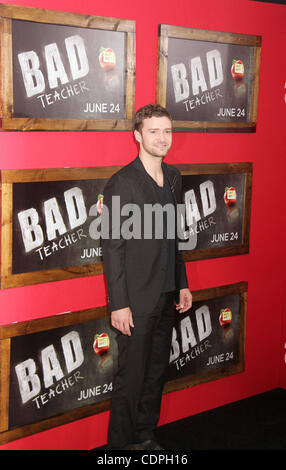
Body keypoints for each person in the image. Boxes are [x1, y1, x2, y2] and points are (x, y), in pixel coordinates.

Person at [101, 104, 192, 450]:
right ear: (137, 135)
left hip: (166, 295)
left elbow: (175, 236)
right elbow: (112, 247)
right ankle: (120, 447)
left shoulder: (173, 176)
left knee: (155, 375)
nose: (162, 138)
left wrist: (182, 282)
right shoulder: (121, 183)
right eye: (154, 131)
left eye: (167, 131)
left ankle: (143, 435)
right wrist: (119, 304)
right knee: (131, 379)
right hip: (135, 301)